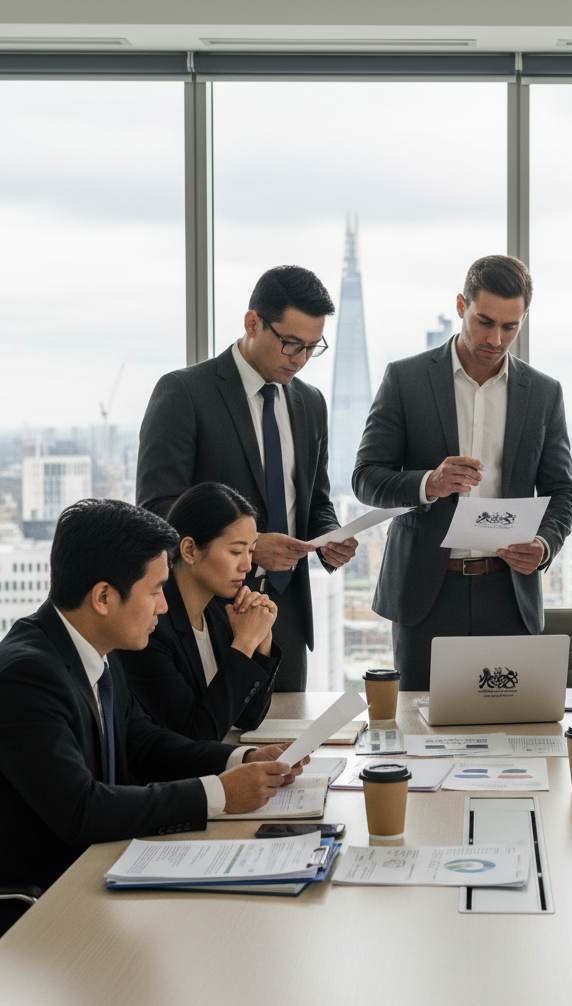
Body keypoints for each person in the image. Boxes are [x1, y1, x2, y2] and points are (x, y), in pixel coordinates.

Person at [0, 500, 305, 935]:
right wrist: (217, 794)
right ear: (104, 597)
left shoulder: (94, 652)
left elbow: (144, 743)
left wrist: (240, 760)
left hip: (98, 873)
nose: (164, 608)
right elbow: (81, 809)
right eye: (155, 590)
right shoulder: (26, 675)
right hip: (42, 905)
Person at [352, 254, 572, 690]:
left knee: (510, 730)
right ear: (461, 305)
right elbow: (365, 476)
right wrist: (428, 483)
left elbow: (563, 490)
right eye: (484, 321)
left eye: (510, 327)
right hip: (426, 593)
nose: (496, 338)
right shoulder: (405, 379)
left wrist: (545, 544)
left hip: (509, 593)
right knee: (419, 728)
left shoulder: (544, 393)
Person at [136, 265, 356, 692]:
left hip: (285, 617)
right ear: (252, 322)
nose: (301, 360)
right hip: (208, 615)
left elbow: (315, 501)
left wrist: (330, 537)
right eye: (291, 344)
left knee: (285, 749)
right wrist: (253, 548)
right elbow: (157, 513)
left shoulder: (311, 404)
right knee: (214, 746)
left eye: (313, 347)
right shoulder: (184, 393)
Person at [119, 483, 280, 741]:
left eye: (251, 551)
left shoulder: (218, 612)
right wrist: (244, 643)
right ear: (190, 550)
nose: (248, 566)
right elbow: (198, 734)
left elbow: (248, 717)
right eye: (236, 551)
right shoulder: (152, 628)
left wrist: (261, 642)